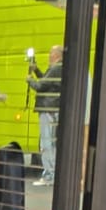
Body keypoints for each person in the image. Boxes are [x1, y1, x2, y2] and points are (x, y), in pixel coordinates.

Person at [29, 44, 64, 184]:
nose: (49, 55)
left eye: (51, 53)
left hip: (48, 109)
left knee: (46, 142)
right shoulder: (59, 68)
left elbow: (40, 86)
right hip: (53, 109)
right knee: (52, 143)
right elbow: (46, 81)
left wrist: (30, 80)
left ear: (57, 55)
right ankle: (53, 173)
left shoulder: (56, 68)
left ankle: (49, 175)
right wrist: (36, 70)